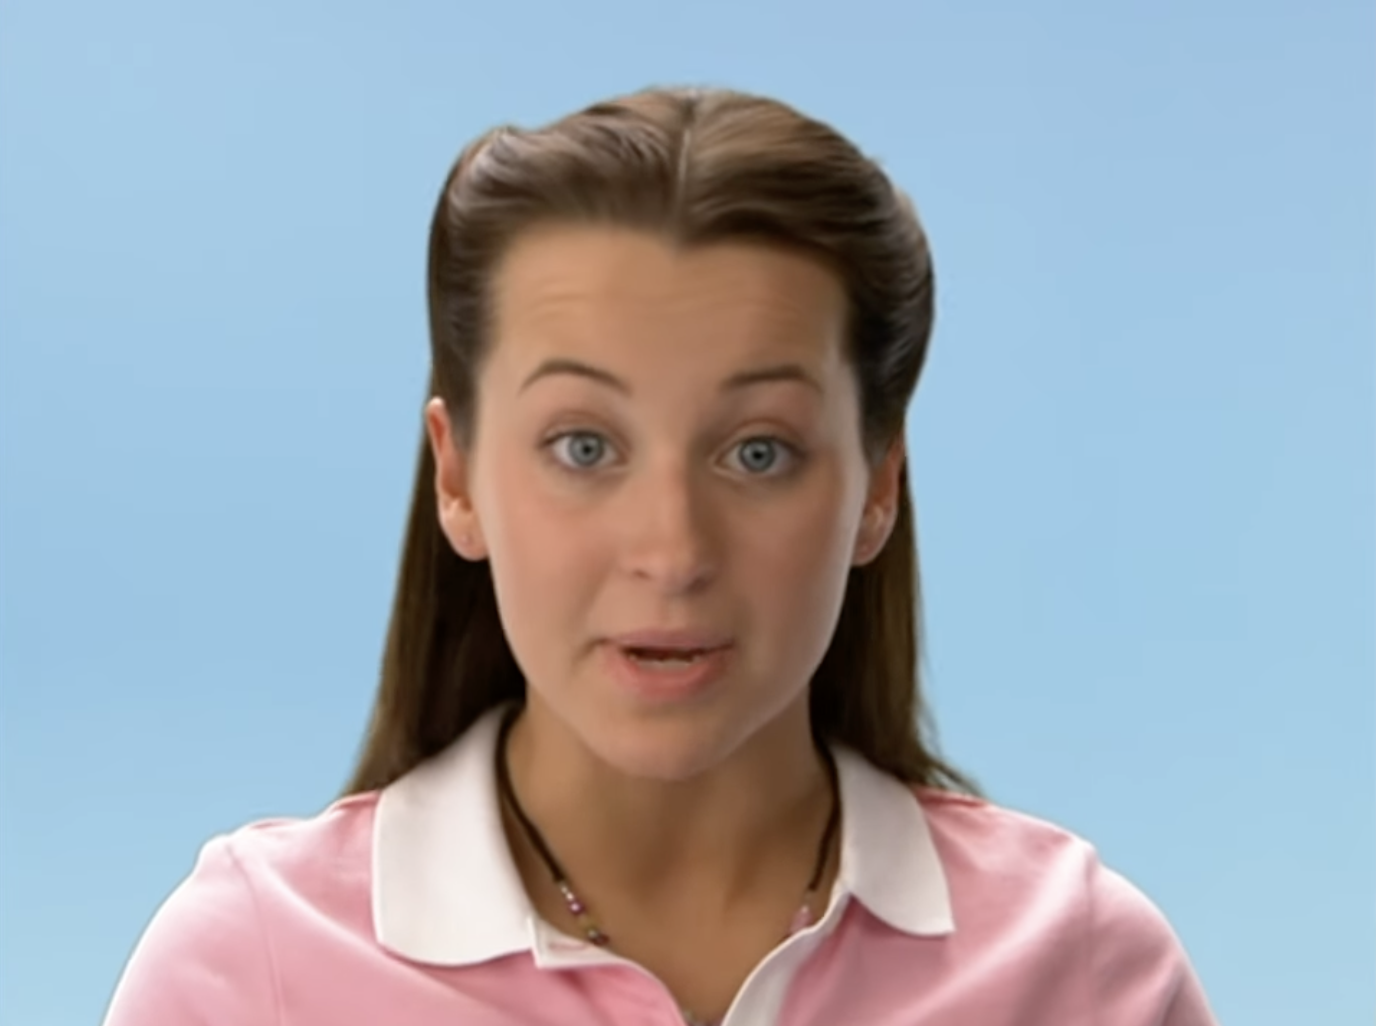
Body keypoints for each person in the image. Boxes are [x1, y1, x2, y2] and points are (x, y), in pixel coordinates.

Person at [101, 86, 1218, 1026]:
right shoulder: (250, 972)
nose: (673, 551)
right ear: (456, 476)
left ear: (876, 484)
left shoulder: (1077, 971)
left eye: (758, 451)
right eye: (583, 446)